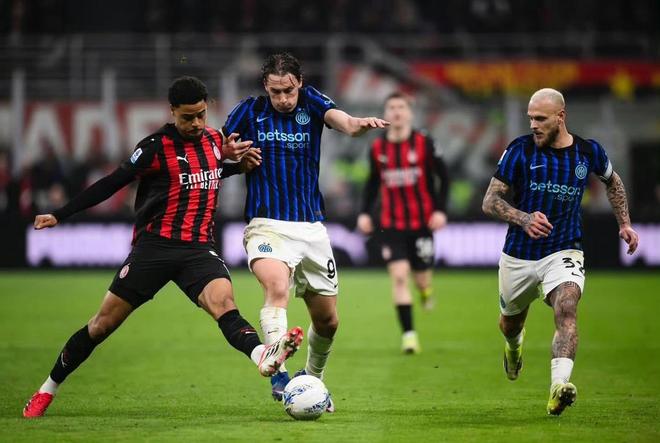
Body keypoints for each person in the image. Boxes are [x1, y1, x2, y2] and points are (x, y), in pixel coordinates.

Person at [22, 76, 303, 418]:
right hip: (154, 249)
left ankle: (264, 356)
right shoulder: (154, 148)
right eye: (187, 117)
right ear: (172, 111)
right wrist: (60, 213)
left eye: (201, 115)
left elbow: (207, 172)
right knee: (101, 325)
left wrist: (236, 168)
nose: (195, 123)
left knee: (225, 305)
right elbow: (112, 183)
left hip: (197, 249)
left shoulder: (215, 141)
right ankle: (47, 389)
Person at [221, 52, 389, 408]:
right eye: (275, 92)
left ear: (300, 83)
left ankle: (312, 378)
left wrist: (358, 124)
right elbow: (213, 151)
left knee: (328, 322)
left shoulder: (311, 102)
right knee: (276, 288)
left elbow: (343, 122)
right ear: (265, 87)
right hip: (266, 225)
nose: (283, 99)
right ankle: (279, 374)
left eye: (289, 91)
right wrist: (228, 153)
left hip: (311, 228)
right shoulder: (249, 111)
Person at [482, 88, 639, 416]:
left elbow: (613, 182)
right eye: (530, 118)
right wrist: (524, 218)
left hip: (564, 249)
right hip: (519, 255)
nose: (533, 125)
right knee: (509, 324)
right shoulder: (520, 150)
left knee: (567, 307)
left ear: (560, 117)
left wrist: (624, 223)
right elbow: (490, 201)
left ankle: (559, 386)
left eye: (540, 119)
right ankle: (514, 347)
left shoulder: (588, 152)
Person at [356, 92, 450, 354]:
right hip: (391, 224)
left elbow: (444, 177)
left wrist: (441, 210)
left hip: (421, 224)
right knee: (399, 277)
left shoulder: (425, 143)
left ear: (409, 113)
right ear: (385, 113)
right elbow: (372, 183)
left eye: (401, 107)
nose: (396, 112)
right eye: (392, 107)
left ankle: (425, 291)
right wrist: (364, 213)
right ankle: (409, 335)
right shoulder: (377, 148)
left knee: (421, 280)